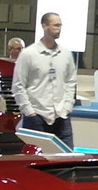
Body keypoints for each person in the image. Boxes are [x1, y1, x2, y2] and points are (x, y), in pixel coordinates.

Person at [13, 12, 78, 146]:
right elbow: (18, 85)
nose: (59, 29)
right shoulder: (28, 54)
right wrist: (29, 111)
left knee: (66, 157)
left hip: (61, 115)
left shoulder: (65, 54)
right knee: (37, 159)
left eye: (60, 25)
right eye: (55, 25)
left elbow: (71, 82)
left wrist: (67, 106)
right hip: (37, 115)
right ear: (44, 26)